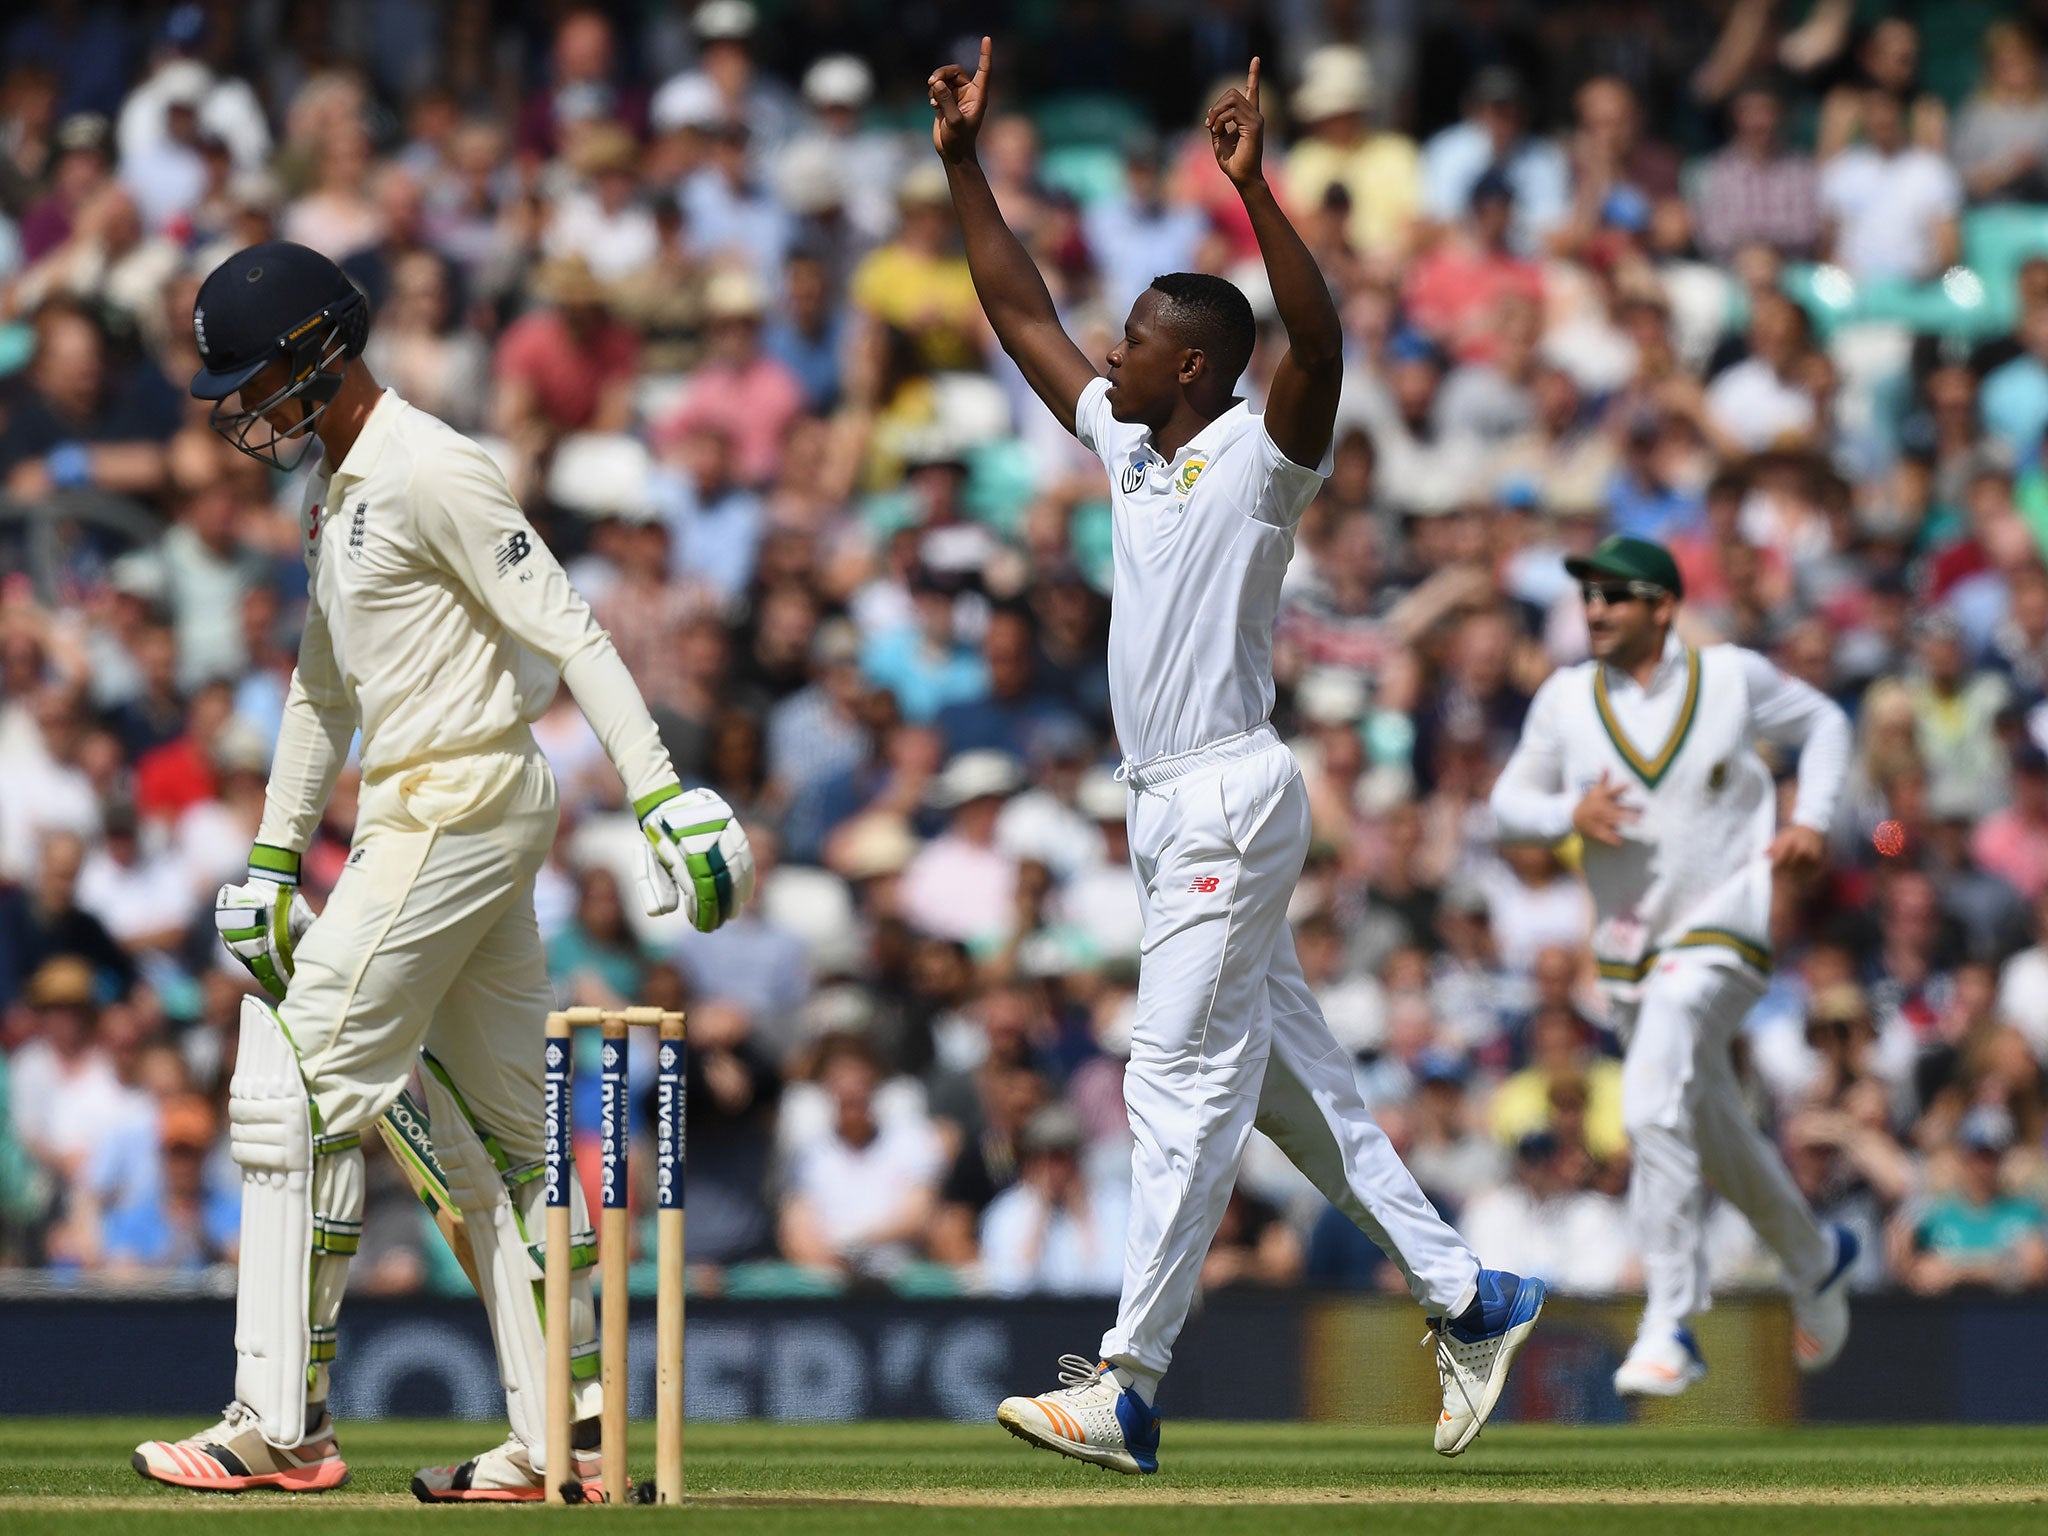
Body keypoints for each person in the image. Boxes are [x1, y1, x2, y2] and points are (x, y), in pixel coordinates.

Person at [929, 40, 1543, 1475]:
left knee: (1175, 1084)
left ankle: (1129, 1386)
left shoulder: (1263, 459)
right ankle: (1469, 1294)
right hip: (1170, 807)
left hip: (1226, 783)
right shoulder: (1130, 449)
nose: (1112, 348)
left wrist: (1257, 191)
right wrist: (962, 164)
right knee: (1292, 1093)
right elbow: (1020, 313)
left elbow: (1319, 347)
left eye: (1137, 336)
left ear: (1193, 363)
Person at [128, 241, 756, 1501]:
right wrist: (267, 852)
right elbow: (321, 683)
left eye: (259, 379)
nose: (247, 409)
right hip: (426, 809)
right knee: (507, 1149)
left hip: (455, 801)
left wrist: (658, 792)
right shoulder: (335, 489)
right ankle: (559, 1435)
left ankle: (280, 1423)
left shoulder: (429, 463)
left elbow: (566, 623)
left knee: (292, 1090)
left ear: (321, 349)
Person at [1489, 534, 1858, 1398]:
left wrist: (1816, 817)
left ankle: (1671, 1318)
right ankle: (1815, 1255)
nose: (1596, 611)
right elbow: (1508, 806)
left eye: (1616, 596)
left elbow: (1828, 724)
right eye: (1588, 597)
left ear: (1663, 605)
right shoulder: (1567, 698)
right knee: (1713, 1127)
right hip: (1627, 953)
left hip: (1727, 928)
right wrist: (1563, 812)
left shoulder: (1732, 675)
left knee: (1651, 1098)